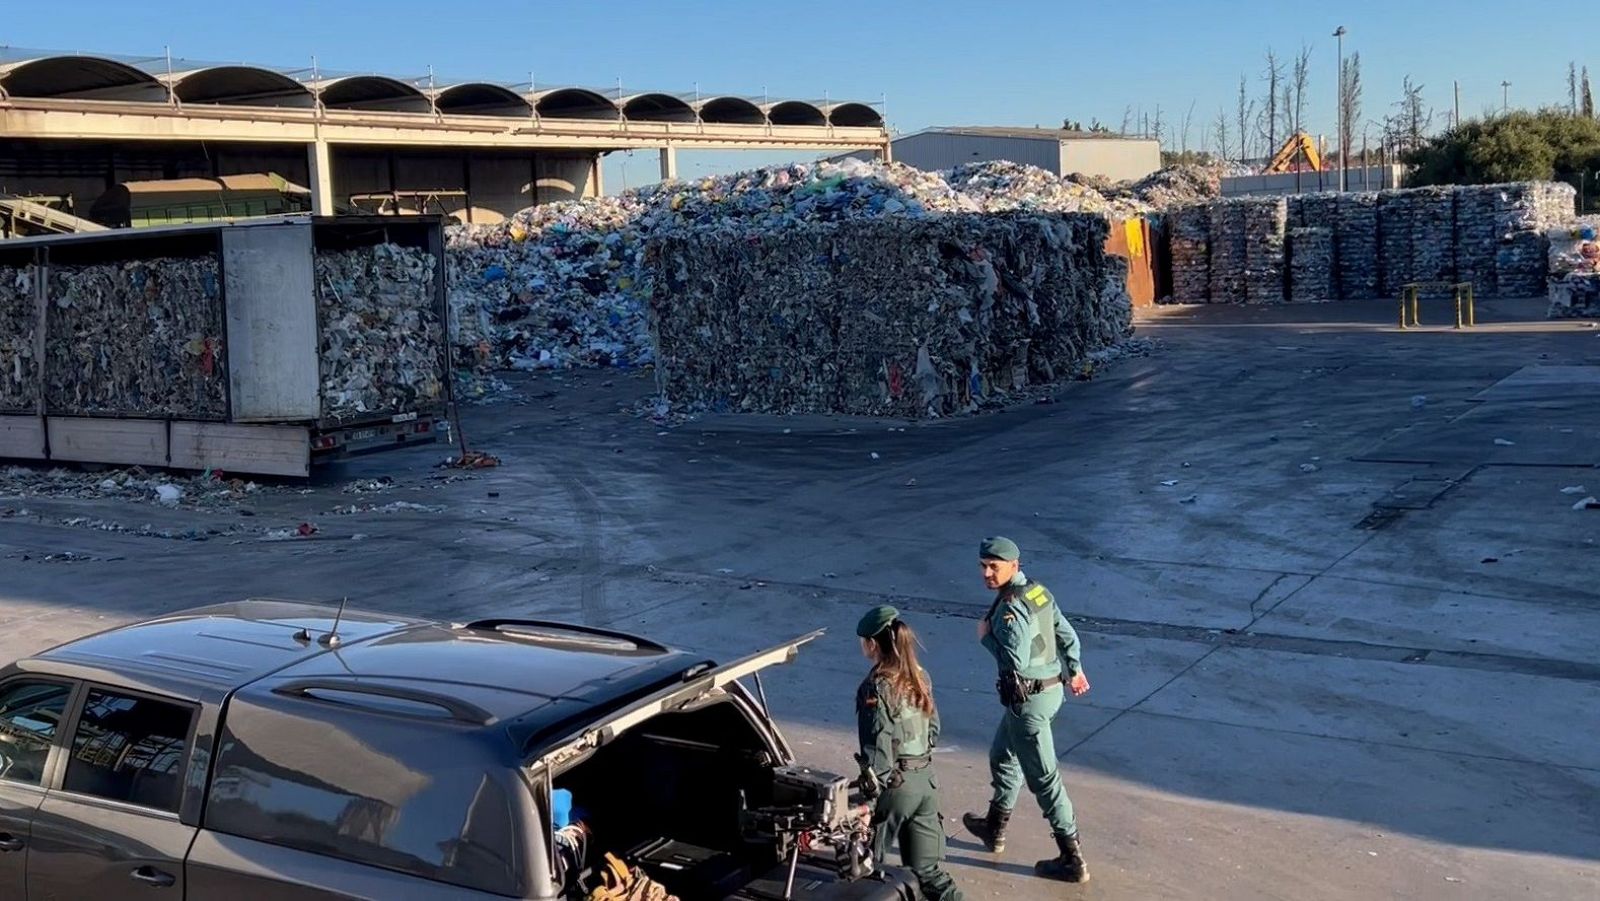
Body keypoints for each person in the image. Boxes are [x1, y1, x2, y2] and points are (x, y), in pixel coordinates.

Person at [962, 536, 1092, 884]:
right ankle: (994, 826)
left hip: (1029, 702)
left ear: (1014, 566)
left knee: (1044, 778)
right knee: (1002, 755)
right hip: (1048, 690)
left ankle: (1072, 857)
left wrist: (986, 638)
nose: (987, 573)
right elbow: (1065, 632)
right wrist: (1075, 669)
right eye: (983, 566)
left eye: (994, 567)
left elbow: (1014, 660)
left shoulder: (1008, 610)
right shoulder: (1036, 592)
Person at [854, 605, 965, 901]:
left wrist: (867, 804)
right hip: (925, 783)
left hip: (894, 788)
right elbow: (933, 730)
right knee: (927, 872)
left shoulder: (876, 687)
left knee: (865, 870)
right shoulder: (919, 676)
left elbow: (877, 749)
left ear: (872, 644)